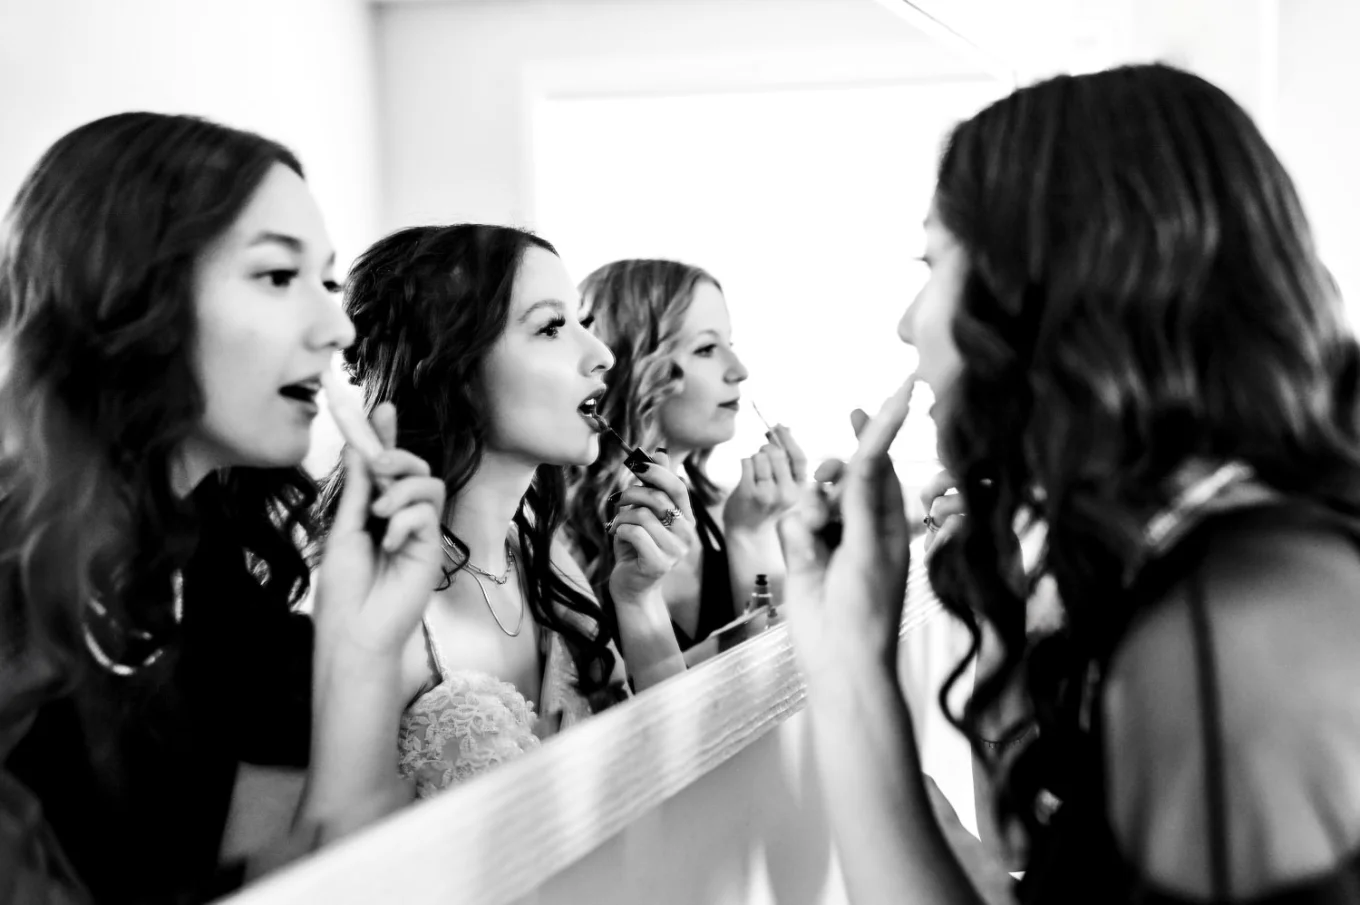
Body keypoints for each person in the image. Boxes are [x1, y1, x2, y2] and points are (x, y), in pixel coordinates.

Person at [778, 63, 1360, 904]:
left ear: (1051, 279)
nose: (904, 323)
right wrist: (846, 660)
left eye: (931, 261)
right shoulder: (1208, 571)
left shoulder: (1236, 620)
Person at [0, 112, 446, 903]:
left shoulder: (221, 587)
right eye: (278, 277)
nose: (338, 327)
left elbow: (325, 875)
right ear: (129, 292)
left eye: (329, 282)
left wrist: (361, 645)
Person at [318, 225, 688, 796]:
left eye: (582, 326)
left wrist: (639, 603)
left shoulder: (549, 564)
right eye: (550, 327)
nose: (602, 355)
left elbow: (671, 772)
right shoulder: (360, 595)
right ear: (452, 367)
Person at [565, 259, 806, 654]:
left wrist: (752, 533)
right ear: (635, 366)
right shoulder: (561, 542)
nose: (739, 370)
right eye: (707, 348)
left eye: (731, 344)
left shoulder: (722, 513)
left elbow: (773, 683)